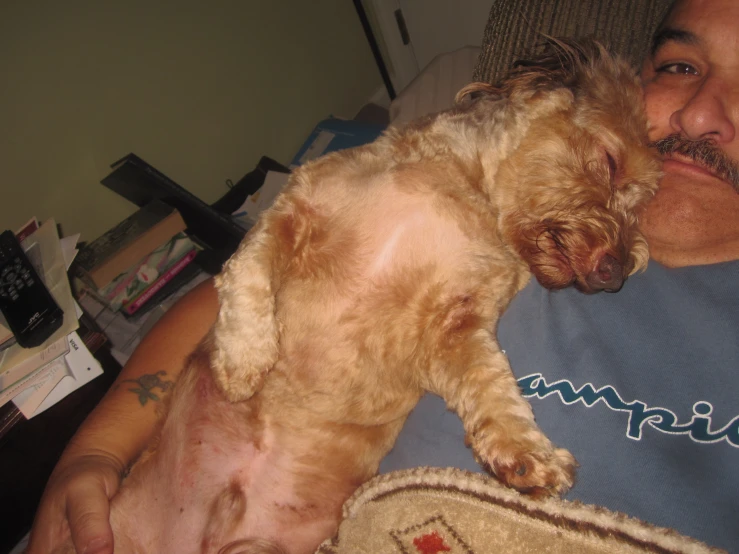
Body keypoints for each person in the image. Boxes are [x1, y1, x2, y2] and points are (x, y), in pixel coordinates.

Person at [26, 0, 739, 552]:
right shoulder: (522, 194)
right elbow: (233, 297)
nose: (702, 112)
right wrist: (91, 453)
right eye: (679, 67)